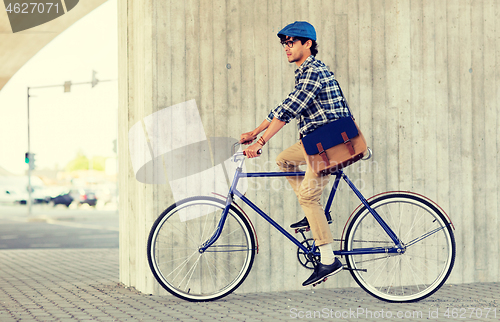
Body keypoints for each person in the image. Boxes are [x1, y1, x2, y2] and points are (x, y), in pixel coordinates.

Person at [240, 21, 350, 287]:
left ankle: (328, 260)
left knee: (309, 197)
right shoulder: (305, 73)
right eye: (284, 43)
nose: (286, 48)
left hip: (333, 141)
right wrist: (255, 132)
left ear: (307, 44)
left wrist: (261, 142)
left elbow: (289, 112)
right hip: (317, 141)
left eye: (291, 42)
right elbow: (284, 106)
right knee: (284, 160)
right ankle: (318, 215)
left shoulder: (313, 72)